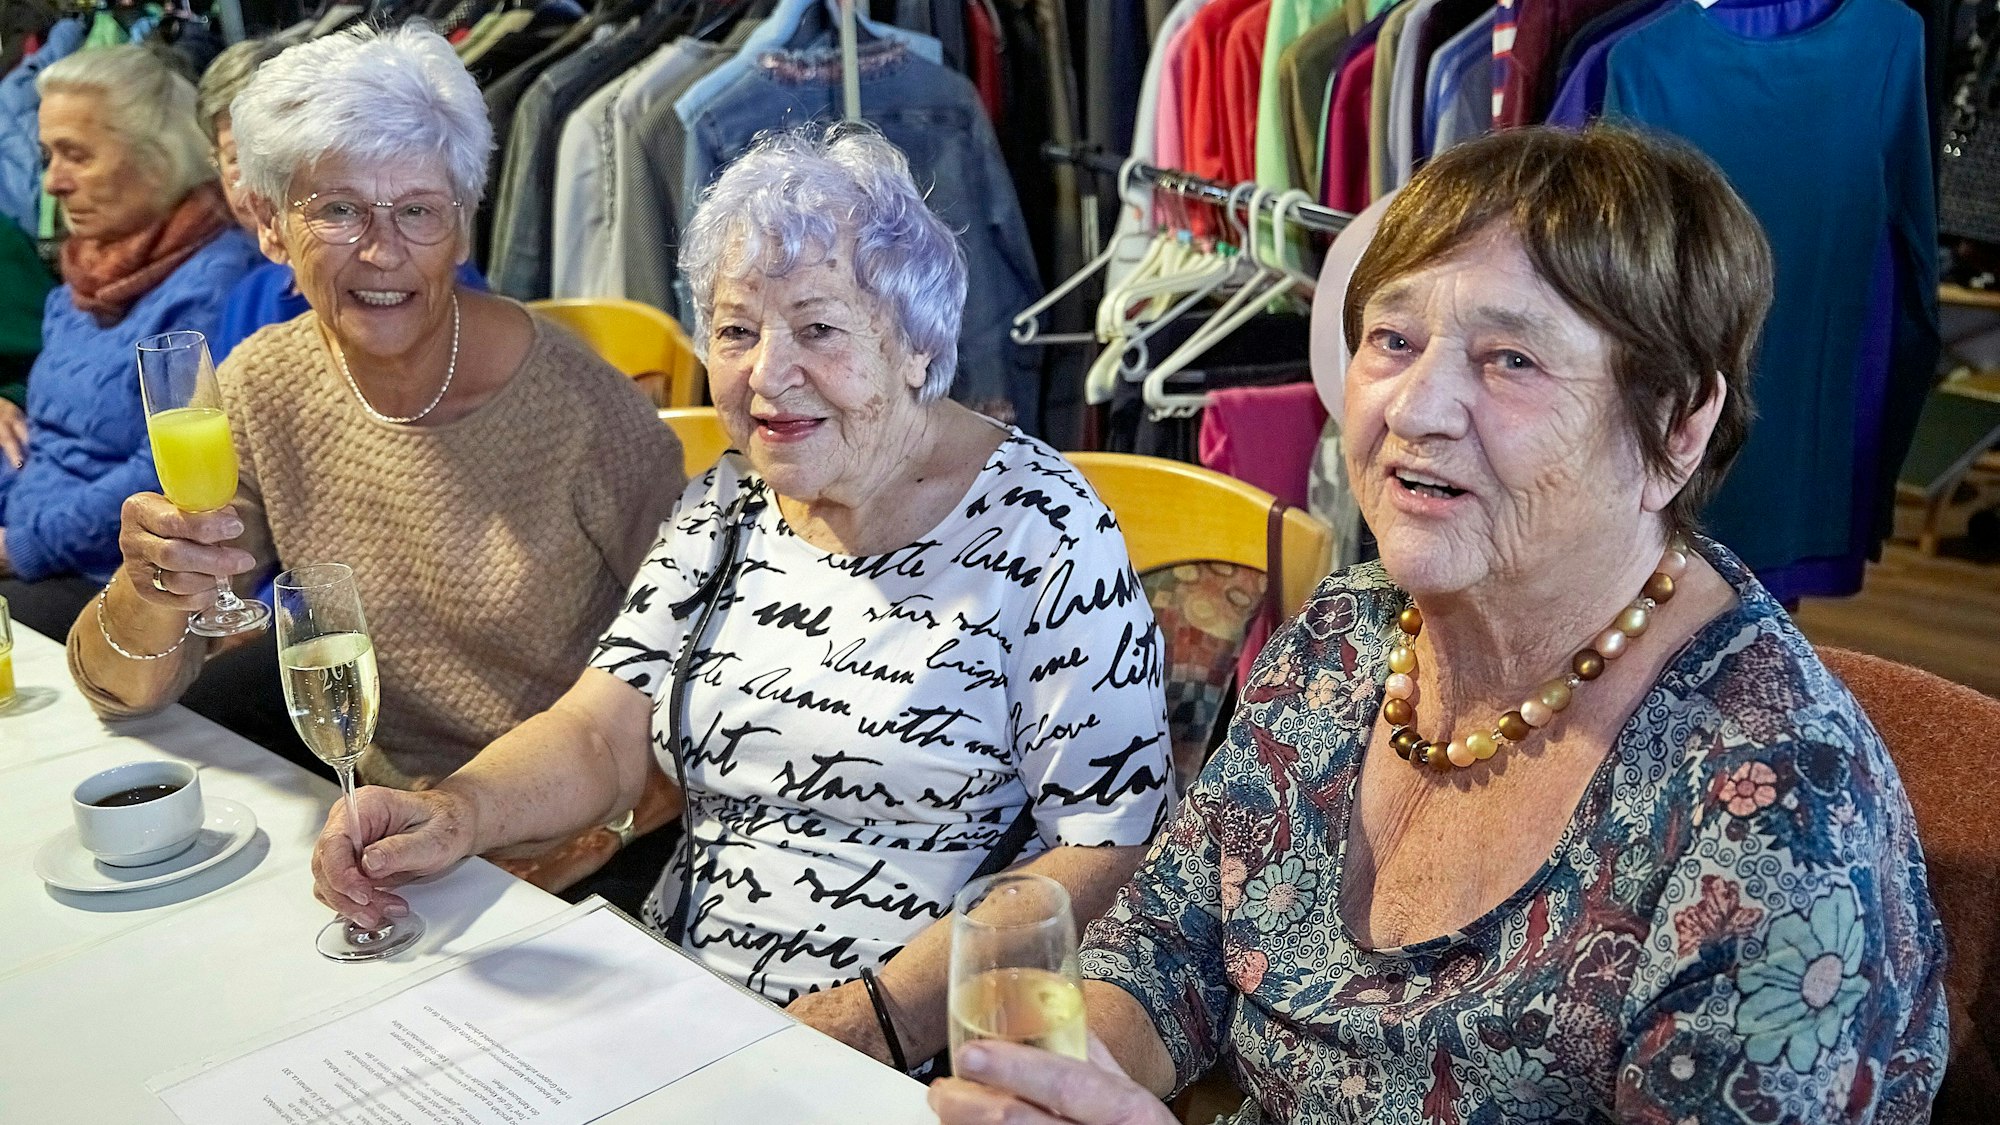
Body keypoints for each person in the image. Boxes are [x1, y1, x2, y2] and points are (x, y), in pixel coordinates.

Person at [932, 126, 1948, 1123]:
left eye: (1509, 359)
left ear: (1677, 427)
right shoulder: (1346, 633)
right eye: (1392, 339)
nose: (1416, 408)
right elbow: (1165, 948)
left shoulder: (1774, 812)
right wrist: (1063, 1081)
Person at [310, 125, 1175, 1069]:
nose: (767, 373)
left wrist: (881, 1018)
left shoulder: (1043, 531)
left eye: (817, 328)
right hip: (681, 1001)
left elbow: (1109, 844)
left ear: (917, 348)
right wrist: (460, 809)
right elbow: (603, 730)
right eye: (736, 329)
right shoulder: (731, 501)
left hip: (915, 1048)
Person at [67, 25, 681, 812]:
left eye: (419, 211)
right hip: (388, 822)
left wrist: (568, 848)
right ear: (271, 227)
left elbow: (698, 684)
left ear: (461, 226)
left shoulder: (587, 412)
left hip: (576, 823)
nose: (382, 249)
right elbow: (120, 693)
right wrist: (152, 587)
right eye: (338, 209)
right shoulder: (261, 385)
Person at [0, 45, 261, 640]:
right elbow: (44, 446)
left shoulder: (214, 284)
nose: (52, 184)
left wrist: (22, 546)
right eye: (47, 156)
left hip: (117, 578)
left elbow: (168, 473)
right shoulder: (82, 279)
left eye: (76, 155)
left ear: (157, 157)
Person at [194, 35, 488, 366]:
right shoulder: (247, 300)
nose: (383, 253)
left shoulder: (449, 290)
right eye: (236, 160)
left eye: (414, 211)